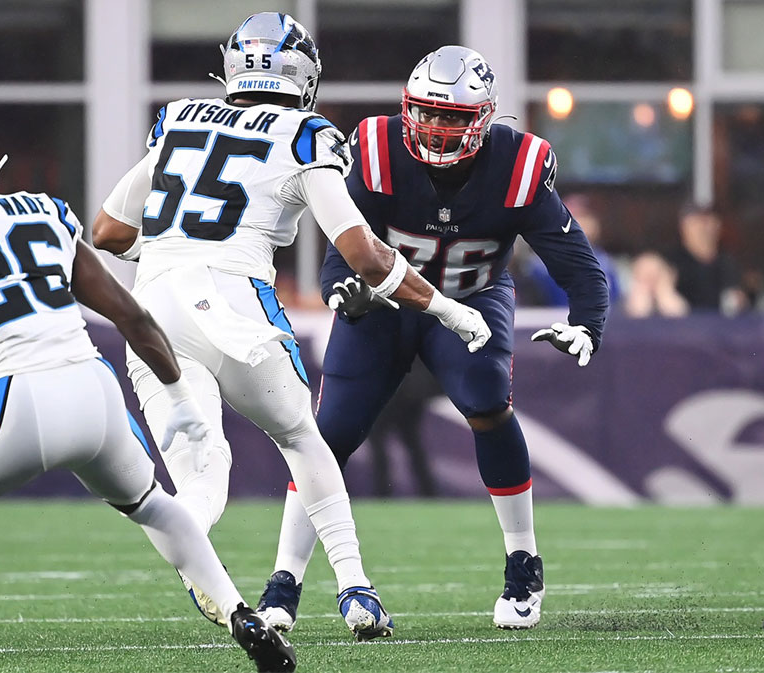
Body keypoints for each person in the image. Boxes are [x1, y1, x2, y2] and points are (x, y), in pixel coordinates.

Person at [0, 99, 295, 673]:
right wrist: (182, 398)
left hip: (13, 408)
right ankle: (241, 615)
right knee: (155, 505)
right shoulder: (42, 211)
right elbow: (132, 316)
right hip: (97, 396)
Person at [91, 14, 490, 641]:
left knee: (202, 480)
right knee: (304, 439)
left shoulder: (177, 120)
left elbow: (107, 233)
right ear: (303, 76)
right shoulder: (308, 134)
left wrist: (177, 248)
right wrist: (448, 308)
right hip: (234, 304)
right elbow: (364, 255)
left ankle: (203, 569)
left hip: (154, 311)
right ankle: (356, 590)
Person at [257, 46, 609, 632]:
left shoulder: (516, 164)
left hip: (471, 302)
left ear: (485, 117)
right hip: (387, 301)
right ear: (406, 107)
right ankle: (284, 581)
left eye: (453, 117)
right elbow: (343, 248)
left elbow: (579, 265)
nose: (437, 128)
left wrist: (587, 323)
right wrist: (344, 290)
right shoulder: (373, 148)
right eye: (427, 112)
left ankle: (522, 560)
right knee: (329, 432)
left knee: (488, 402)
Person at [667, 203, 746, 314]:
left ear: (718, 226)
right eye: (697, 222)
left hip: (722, 327)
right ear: (683, 227)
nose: (703, 228)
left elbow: (735, 300)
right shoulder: (672, 263)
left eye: (708, 221)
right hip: (684, 327)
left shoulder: (727, 263)